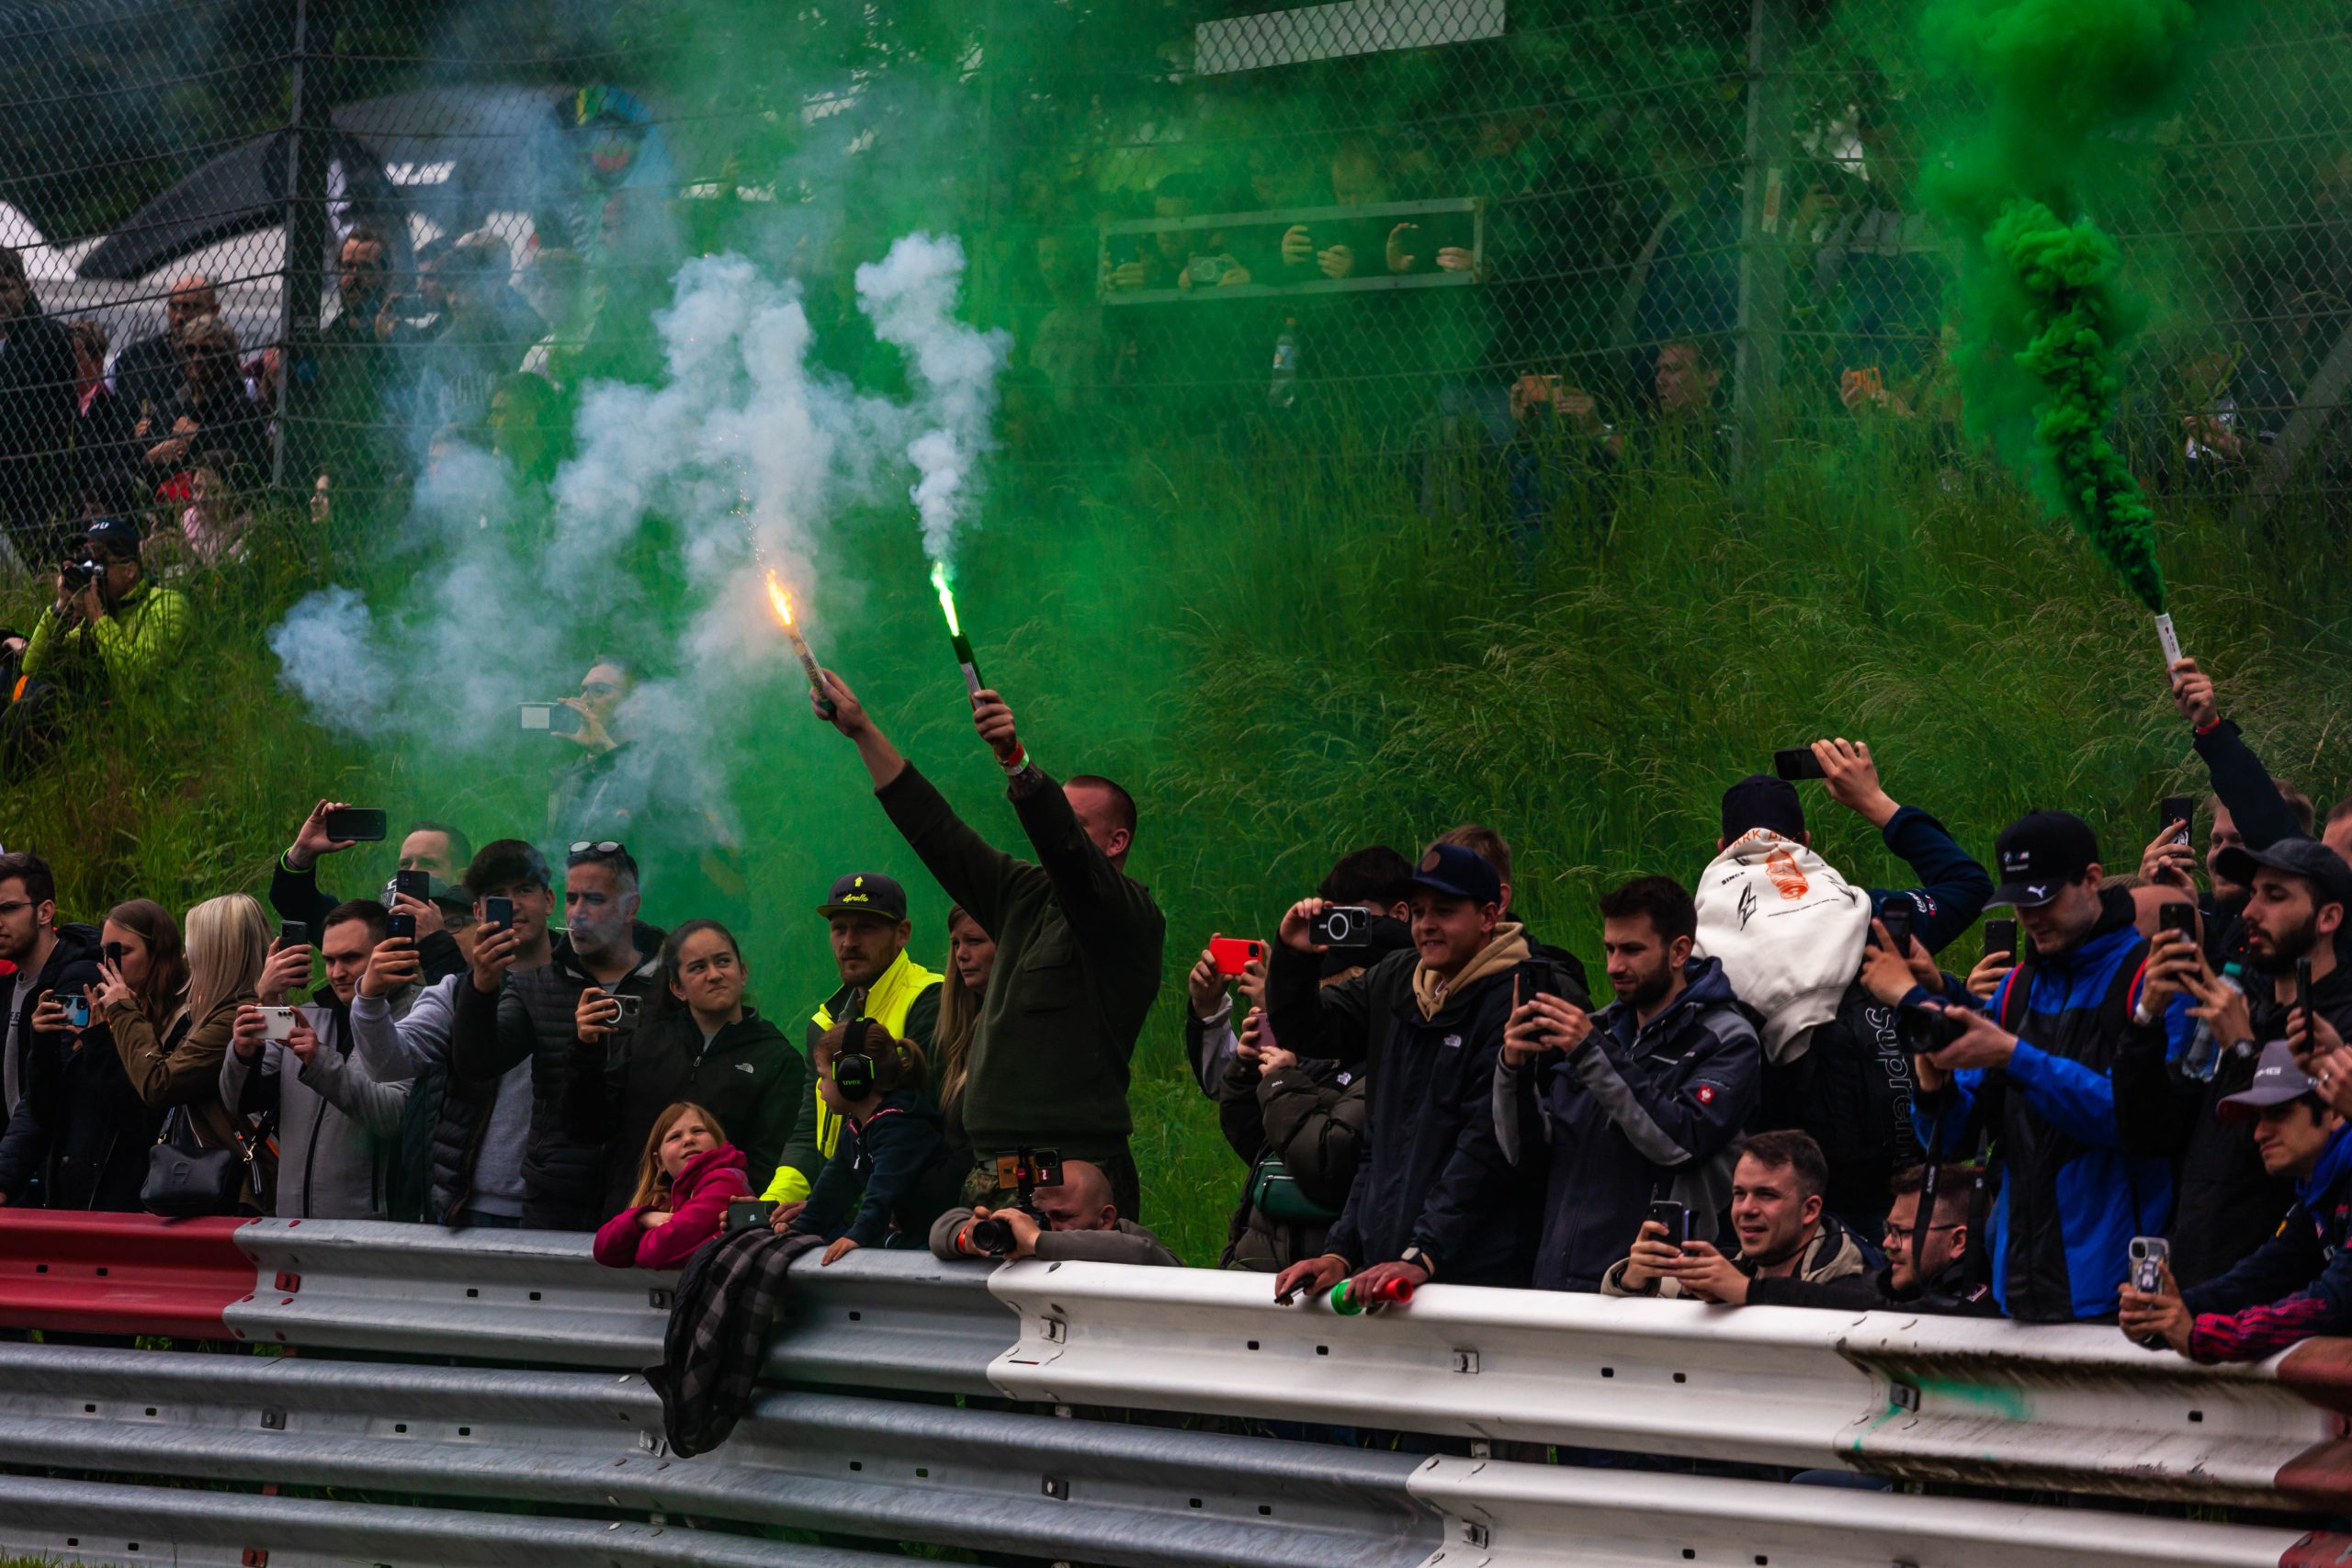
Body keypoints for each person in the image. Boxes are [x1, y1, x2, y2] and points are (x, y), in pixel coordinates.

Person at [813, 668, 1164, 1219]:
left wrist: (1017, 763)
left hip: (1073, 1173)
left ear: (1117, 842)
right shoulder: (1022, 895)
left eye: (1074, 823)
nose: (1052, 836)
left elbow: (1069, 852)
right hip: (995, 1168)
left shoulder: (1130, 919)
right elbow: (936, 831)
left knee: (1060, 1306)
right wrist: (862, 731)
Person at [1703, 739, 1992, 1233]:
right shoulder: (1863, 917)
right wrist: (1873, 801)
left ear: (1721, 852)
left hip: (1782, 1205)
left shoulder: (1697, 942)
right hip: (1893, 1186)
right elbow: (1967, 885)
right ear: (1807, 842)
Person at [1267, 843, 1576, 1303]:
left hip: (1476, 1285)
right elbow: (1375, 1140)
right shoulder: (1400, 980)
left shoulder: (1522, 998)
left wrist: (1423, 1254)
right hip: (1394, 1273)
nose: (1426, 925)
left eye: (1445, 911)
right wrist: (1341, 1252)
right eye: (1418, 911)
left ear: (1489, 916)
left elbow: (1487, 1149)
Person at [1911, 810, 2172, 1321]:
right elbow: (1957, 1142)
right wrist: (1932, 1079)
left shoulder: (2152, 979)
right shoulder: (2016, 989)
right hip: (2019, 1284)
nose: (2031, 918)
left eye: (2045, 899)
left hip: (2119, 1291)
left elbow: (2135, 1120)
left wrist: (2015, 1057)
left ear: (2092, 879)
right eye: (2018, 902)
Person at [1496, 874, 1760, 1292]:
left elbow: (1679, 1142)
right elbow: (1526, 1156)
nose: (1615, 965)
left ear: (1678, 951)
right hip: (1559, 1283)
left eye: (1632, 950)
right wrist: (1514, 1068)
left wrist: (1590, 1052)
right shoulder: (1598, 1031)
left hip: (1655, 1293)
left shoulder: (1728, 1039)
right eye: (1610, 948)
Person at [2121, 838, 2352, 1288]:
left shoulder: (2340, 1028)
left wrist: (2247, 1050)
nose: (2250, 912)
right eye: (2252, 894)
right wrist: (2147, 1019)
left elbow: (2304, 1167)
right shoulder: (2239, 1003)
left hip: (2283, 1297)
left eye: (2275, 896)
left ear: (2328, 918)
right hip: (2197, 1280)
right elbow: (2149, 1132)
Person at [450, 840, 663, 1230]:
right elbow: (477, 1063)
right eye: (572, 899)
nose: (578, 914)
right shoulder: (536, 986)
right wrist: (480, 986)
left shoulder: (669, 986)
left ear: (630, 907)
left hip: (646, 1196)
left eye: (594, 900)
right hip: (557, 1199)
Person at [351, 840, 549, 1227]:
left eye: (524, 890)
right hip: (469, 1204)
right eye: (497, 897)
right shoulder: (455, 990)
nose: (514, 905)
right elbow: (390, 1062)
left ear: (550, 899)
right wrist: (370, 998)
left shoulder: (579, 981)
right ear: (480, 910)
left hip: (562, 1201)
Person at [2119, 1043, 2352, 1361]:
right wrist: (2162, 1316)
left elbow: (2336, 1301)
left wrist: (2205, 1336)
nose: (2258, 1133)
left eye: (2278, 1112)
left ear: (2335, 1111)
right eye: (2257, 1118)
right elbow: (2254, 1281)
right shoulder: (2315, 1198)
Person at [563, 918, 803, 1216]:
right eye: (698, 967)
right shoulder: (645, 1042)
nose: (715, 975)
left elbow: (768, 1164)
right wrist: (586, 1049)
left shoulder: (778, 1059)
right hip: (632, 1225)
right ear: (677, 987)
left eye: (723, 961)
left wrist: (714, 1217)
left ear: (742, 972)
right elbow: (588, 1129)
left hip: (714, 1233)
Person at [220, 898, 410, 1219]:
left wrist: (319, 1062)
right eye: (330, 960)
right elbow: (237, 1102)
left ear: (386, 953)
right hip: (293, 1223)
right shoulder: (309, 1014)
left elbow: (392, 1117)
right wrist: (243, 1051)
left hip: (372, 1230)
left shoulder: (414, 1017)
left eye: (350, 958)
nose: (336, 973)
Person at [763, 873, 943, 1205]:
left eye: (865, 928)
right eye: (839, 928)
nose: (849, 942)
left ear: (902, 933)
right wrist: (772, 1203)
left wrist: (826, 1207)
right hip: (841, 1213)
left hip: (901, 1215)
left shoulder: (930, 1000)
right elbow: (808, 1132)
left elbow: (912, 1132)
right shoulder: (823, 1024)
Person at [0, 898, 186, 1210]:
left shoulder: (175, 1023)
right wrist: (42, 1043)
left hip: (132, 1199)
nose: (108, 966)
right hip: (74, 1191)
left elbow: (141, 1118)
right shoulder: (98, 1011)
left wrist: (101, 1039)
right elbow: (46, 1108)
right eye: (103, 953)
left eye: (121, 953)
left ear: (157, 954)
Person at [1188, 845, 1412, 1097]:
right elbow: (1245, 1101)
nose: (1338, 931)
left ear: (1400, 914)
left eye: (1353, 918)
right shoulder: (1309, 971)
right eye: (1331, 920)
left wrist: (1276, 1007)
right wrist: (1212, 1011)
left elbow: (1324, 1099)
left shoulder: (1400, 992)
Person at [113, 892, 268, 1205]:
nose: (186, 959)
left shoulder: (237, 1018)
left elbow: (159, 1083)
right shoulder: (220, 1013)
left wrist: (123, 1011)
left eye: (193, 949)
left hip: (231, 1190)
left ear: (217, 955)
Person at [1601, 1130, 1869, 1301]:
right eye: (1739, 1194)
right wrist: (1633, 1281)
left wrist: (1743, 1292)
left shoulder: (1855, 1286)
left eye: (1767, 1195)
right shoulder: (1722, 1269)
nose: (1746, 1209)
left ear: (1810, 1209)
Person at [779, 1018, 961, 1264]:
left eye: (823, 1077)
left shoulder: (901, 1126)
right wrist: (796, 1233)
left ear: (851, 1077)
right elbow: (831, 1192)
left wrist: (858, 1235)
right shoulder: (857, 1127)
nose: (819, 1087)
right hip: (901, 1234)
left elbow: (883, 1189)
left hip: (927, 1242)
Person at [1216, 1001, 1365, 1272]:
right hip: (1258, 1253)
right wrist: (1249, 1069)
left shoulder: (1380, 1068)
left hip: (1323, 1265)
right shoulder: (1319, 1055)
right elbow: (1257, 1142)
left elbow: (1327, 1162)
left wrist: (1283, 1082)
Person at [1745, 1162, 1997, 1315]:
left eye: (1903, 1233)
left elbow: (1886, 1312)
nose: (1888, 1244)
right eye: (1889, 1231)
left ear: (1958, 1241)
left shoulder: (1977, 1307)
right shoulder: (1903, 1284)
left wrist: (1751, 1290)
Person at [269, 799, 472, 981]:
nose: (412, 871)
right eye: (405, 863)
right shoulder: (374, 928)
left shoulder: (475, 929)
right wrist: (304, 851)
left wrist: (435, 941)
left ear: (460, 877)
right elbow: (294, 901)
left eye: (428, 863)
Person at [18, 515, 189, 694]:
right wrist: (62, 606)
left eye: (98, 562)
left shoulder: (168, 604)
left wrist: (98, 619)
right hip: (96, 715)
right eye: (85, 561)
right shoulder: (99, 614)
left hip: (145, 717)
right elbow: (34, 668)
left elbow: (135, 678)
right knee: (27, 687)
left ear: (129, 570)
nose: (91, 569)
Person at [930, 1156, 1181, 1266]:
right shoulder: (1033, 1237)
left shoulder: (1128, 1236)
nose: (1050, 1226)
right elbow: (942, 1229)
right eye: (1043, 1216)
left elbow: (1138, 1252)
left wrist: (1035, 1240)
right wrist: (970, 1238)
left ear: (1106, 1218)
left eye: (1062, 1216)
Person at [0, 852, 100, 1124]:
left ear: (44, 912)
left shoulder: (76, 985)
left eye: (7, 909)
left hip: (55, 1160)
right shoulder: (9, 988)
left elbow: (69, 1090)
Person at [593, 1101, 752, 1270]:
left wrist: (638, 1238)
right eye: (675, 1136)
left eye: (698, 1131)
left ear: (719, 1142)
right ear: (658, 1161)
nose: (689, 1140)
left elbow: (660, 1252)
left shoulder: (725, 1182)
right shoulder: (667, 1200)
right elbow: (603, 1251)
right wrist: (641, 1219)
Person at [0, 247, 81, 551]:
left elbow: (42, 416)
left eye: (5, 288)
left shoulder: (48, 337)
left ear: (25, 287)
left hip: (36, 485)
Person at [137, 312, 266, 481]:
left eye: (207, 351)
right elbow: (141, 454)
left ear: (227, 356)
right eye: (190, 350)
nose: (197, 358)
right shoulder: (173, 405)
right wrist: (149, 459)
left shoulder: (241, 408)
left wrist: (198, 438)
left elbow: (246, 465)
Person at [932, 904, 995, 1156]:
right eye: (956, 943)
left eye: (974, 941)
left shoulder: (1019, 1031)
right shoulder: (957, 1028)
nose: (961, 954)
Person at [111, 274, 218, 416]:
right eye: (173, 306)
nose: (179, 316)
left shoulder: (221, 363)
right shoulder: (133, 357)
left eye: (189, 307)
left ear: (213, 311)